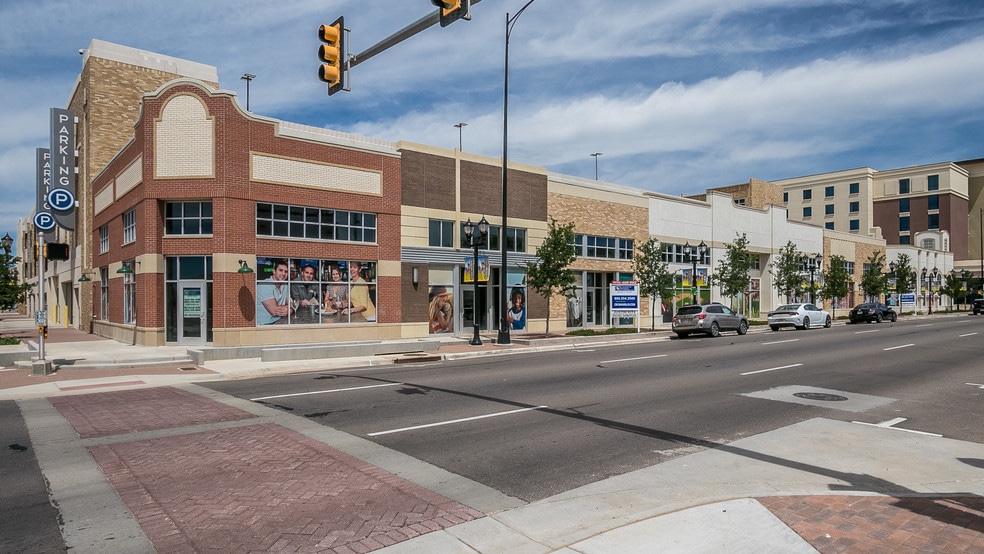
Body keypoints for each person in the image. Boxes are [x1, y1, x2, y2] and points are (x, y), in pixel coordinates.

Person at [256, 259, 293, 325]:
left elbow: (291, 303)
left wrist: (291, 309)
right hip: (264, 324)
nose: (283, 274)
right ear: (274, 271)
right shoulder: (264, 285)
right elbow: (274, 311)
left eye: (286, 271)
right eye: (280, 270)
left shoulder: (285, 284)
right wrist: (289, 309)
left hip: (279, 320)